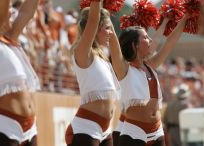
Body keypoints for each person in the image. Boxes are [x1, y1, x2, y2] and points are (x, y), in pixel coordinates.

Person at [109, 14, 188, 145]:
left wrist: (185, 17)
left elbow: (169, 43)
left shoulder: (150, 65)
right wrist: (102, 10)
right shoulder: (124, 69)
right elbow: (113, 43)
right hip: (134, 132)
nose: (150, 40)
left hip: (157, 131)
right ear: (135, 45)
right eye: (145, 37)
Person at [65, 1, 120, 146]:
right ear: (95, 29)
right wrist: (98, 4)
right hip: (86, 128)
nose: (111, 33)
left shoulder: (103, 57)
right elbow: (94, 20)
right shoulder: (83, 52)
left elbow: (117, 49)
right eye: (107, 28)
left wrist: (107, 13)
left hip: (106, 129)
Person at [0, 0, 40, 146]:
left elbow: (28, 12)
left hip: (30, 129)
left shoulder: (9, 39)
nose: (13, 11)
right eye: (9, 7)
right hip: (5, 127)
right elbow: (0, 16)